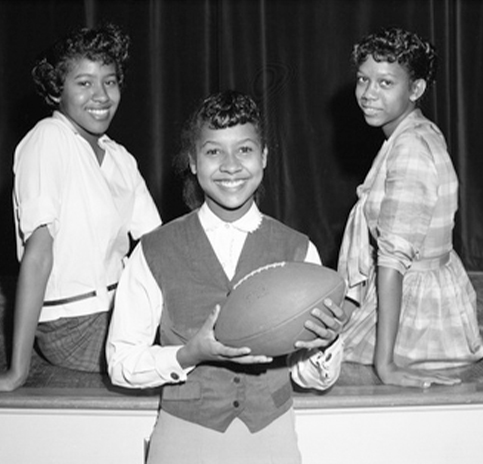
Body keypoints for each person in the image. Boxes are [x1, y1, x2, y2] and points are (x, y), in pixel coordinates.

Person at [107, 90, 345, 463]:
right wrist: (188, 355)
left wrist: (326, 344)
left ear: (264, 157)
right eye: (214, 151)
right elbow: (121, 365)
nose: (230, 165)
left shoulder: (299, 250)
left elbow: (313, 378)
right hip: (185, 440)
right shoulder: (153, 250)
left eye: (245, 150)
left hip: (272, 439)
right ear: (193, 161)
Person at [0, 23, 161, 394]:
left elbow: (160, 246)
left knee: (208, 331)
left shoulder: (120, 157)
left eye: (109, 81)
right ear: (57, 90)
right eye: (84, 82)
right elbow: (38, 256)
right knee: (191, 353)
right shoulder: (47, 139)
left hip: (121, 310)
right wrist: (16, 372)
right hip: (72, 327)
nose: (101, 95)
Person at [337, 27, 483, 388]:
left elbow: (392, 260)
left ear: (415, 89)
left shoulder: (410, 149)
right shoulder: (417, 130)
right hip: (421, 289)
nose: (368, 94)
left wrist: (385, 364)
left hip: (417, 313)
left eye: (385, 83)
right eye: (363, 80)